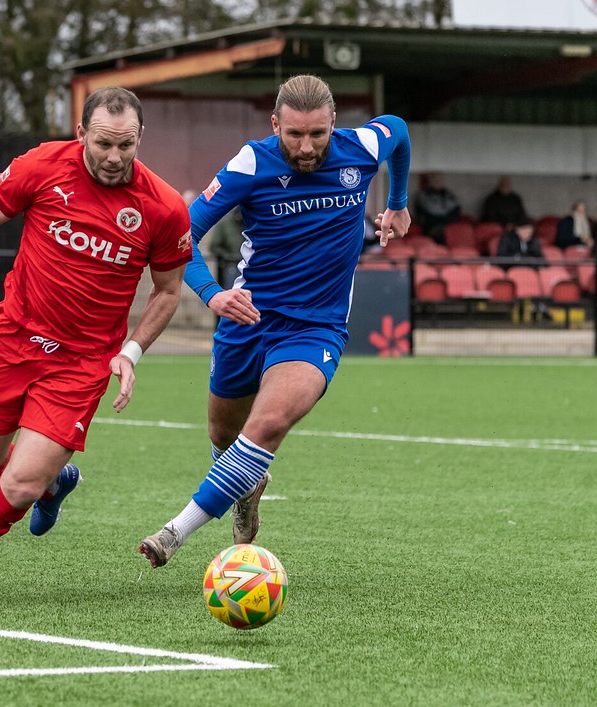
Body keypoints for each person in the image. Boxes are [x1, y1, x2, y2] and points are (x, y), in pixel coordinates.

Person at [0, 87, 192, 605]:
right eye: (103, 144)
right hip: (14, 338)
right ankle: (55, 479)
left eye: (126, 145)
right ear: (81, 134)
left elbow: (167, 292)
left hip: (81, 363)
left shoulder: (163, 208)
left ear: (141, 137)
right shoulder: (41, 165)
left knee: (20, 485)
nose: (115, 157)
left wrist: (132, 350)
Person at [136, 74, 411, 568]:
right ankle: (249, 485)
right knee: (224, 437)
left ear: (333, 124)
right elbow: (181, 235)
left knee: (267, 424)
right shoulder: (250, 164)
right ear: (275, 125)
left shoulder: (363, 147)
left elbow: (400, 131)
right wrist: (213, 295)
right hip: (248, 320)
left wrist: (397, 203)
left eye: (318, 135)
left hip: (316, 328)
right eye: (294, 135)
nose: (307, 148)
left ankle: (175, 532)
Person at [413, 172, 461, 241]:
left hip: (448, 223)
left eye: (439, 179)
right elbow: (431, 210)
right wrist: (445, 211)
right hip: (431, 225)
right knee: (439, 232)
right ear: (430, 181)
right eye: (435, 179)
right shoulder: (423, 195)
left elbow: (456, 207)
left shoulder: (447, 194)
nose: (437, 181)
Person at [207, 208, 243, 287]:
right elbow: (214, 246)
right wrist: (228, 256)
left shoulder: (250, 222)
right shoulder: (224, 223)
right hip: (231, 264)